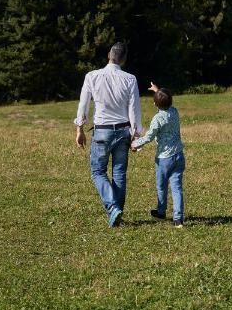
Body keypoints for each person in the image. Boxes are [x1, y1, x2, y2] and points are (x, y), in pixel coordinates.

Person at [74, 42, 142, 227]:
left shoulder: (92, 76)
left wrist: (79, 128)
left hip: (102, 131)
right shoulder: (130, 79)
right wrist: (136, 135)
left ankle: (113, 208)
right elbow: (134, 109)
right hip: (122, 130)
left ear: (108, 55)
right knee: (119, 172)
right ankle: (116, 211)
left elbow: (84, 104)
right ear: (124, 59)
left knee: (98, 171)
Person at [131, 82, 186, 228]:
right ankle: (178, 219)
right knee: (176, 187)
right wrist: (157, 91)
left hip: (164, 159)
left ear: (155, 104)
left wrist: (135, 144)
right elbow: (165, 99)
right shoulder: (174, 111)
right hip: (179, 156)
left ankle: (161, 211)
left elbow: (149, 137)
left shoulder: (157, 119)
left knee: (162, 186)